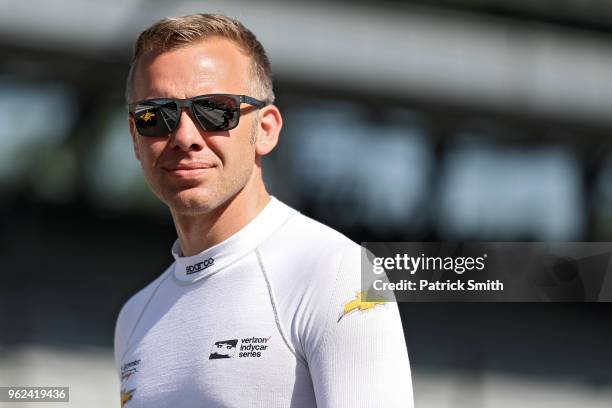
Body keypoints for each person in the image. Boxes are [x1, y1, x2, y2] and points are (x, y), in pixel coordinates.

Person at [114, 13, 413, 408]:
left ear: (266, 129)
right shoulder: (134, 317)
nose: (185, 137)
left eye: (215, 111)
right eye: (157, 116)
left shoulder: (341, 274)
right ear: (136, 138)